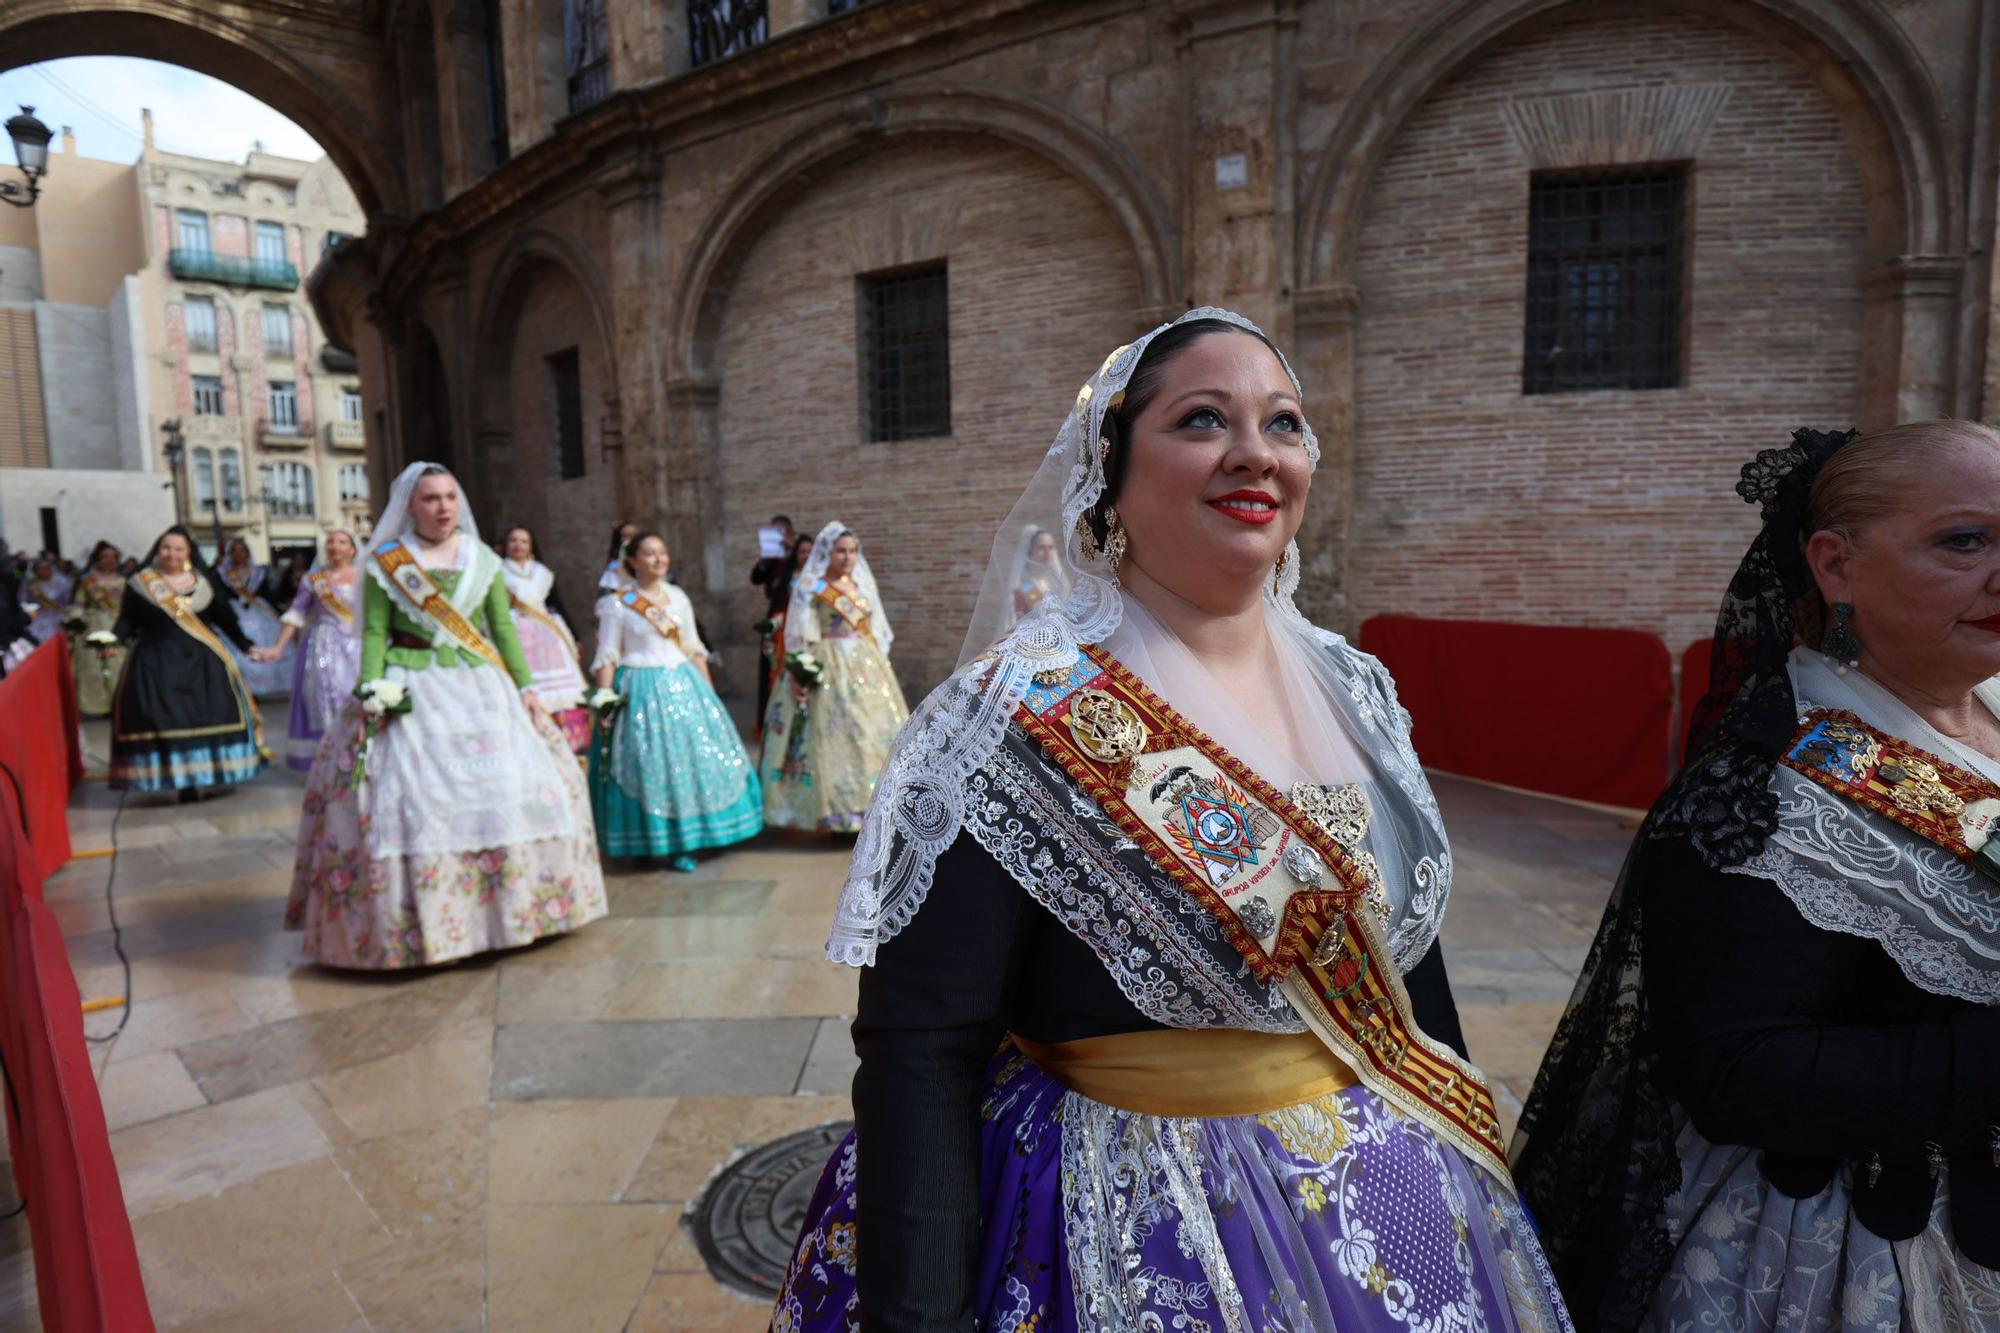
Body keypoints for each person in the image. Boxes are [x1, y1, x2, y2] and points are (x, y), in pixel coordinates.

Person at [771, 310, 1570, 1331]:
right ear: (1109, 472)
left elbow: (1398, 965)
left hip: (1386, 1195)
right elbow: (921, 1050)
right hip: (1122, 1221)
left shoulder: (1355, 687)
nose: (1255, 454)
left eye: (1283, 423)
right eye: (1202, 420)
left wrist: (1470, 1167)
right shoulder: (1006, 715)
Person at [1514, 423, 2000, 1331]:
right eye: (1964, 541)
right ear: (1835, 565)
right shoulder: (1761, 788)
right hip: (1849, 1256)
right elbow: (1736, 1070)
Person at [286, 463, 607, 969]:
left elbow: (501, 629)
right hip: (412, 684)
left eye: (451, 497)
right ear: (409, 506)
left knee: (506, 790)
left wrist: (526, 687)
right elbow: (374, 633)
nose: (442, 507)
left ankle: (510, 915)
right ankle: (434, 924)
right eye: (431, 498)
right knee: (413, 798)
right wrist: (373, 691)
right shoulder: (386, 562)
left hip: (481, 686)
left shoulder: (482, 559)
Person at [589, 532, 762, 868]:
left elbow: (693, 647)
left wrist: (710, 695)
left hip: (684, 683)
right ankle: (658, 841)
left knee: (693, 762)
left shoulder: (678, 597)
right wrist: (605, 696)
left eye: (662, 552)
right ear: (632, 560)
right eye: (650, 554)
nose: (658, 559)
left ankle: (698, 837)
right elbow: (608, 654)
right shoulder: (618, 604)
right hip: (639, 686)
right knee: (648, 766)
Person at [758, 522, 910, 833]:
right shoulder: (811, 587)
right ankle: (837, 810)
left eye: (853, 551)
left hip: (866, 664)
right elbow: (799, 632)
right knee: (830, 735)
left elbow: (878, 627)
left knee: (869, 731)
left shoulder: (863, 585)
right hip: (827, 660)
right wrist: (801, 671)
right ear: (827, 553)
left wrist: (878, 659)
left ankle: (878, 805)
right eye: (841, 551)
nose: (848, 557)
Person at [108, 526, 266, 798]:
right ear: (158, 550)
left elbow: (225, 620)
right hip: (155, 661)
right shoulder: (141, 584)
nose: (171, 553)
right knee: (162, 718)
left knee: (208, 716)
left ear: (189, 552)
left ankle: (207, 773)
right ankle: (180, 780)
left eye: (178, 548)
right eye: (166, 547)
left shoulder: (206, 584)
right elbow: (127, 621)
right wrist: (111, 641)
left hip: (202, 662)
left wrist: (247, 646)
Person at [251, 531, 363, 772]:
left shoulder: (364, 577)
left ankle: (359, 752)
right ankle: (331, 756)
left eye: (342, 541)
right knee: (325, 697)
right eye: (331, 541)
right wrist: (278, 647)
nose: (335, 546)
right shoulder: (313, 580)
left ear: (353, 549)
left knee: (355, 697)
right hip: (325, 645)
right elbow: (296, 614)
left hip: (358, 645)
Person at [499, 525, 591, 752]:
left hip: (546, 633)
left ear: (531, 546)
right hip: (516, 631)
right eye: (513, 540)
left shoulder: (542, 573)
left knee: (560, 690)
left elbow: (557, 603)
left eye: (523, 541)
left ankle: (568, 733)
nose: (518, 545)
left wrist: (575, 635)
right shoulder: (497, 571)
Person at [215, 537, 292, 697]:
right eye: (235, 551)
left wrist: (279, 611)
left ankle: (265, 684)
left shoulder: (259, 571)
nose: (239, 554)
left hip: (259, 611)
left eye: (242, 550)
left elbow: (269, 593)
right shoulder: (222, 572)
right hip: (234, 611)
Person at [67, 541, 129, 717]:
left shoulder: (125, 581)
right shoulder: (88, 580)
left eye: (112, 557)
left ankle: (118, 704)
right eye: (104, 556)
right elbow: (78, 603)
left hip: (117, 628)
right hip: (92, 627)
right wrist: (74, 623)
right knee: (93, 668)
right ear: (97, 559)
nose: (109, 560)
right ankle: (96, 706)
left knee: (117, 666)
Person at [750, 513, 798, 724]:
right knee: (771, 668)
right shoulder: (771, 562)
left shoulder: (799, 559)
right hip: (775, 620)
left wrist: (792, 549)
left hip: (794, 619)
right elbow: (756, 578)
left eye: (782, 532)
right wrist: (764, 560)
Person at [1009, 523, 1071, 620]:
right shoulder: (1026, 585)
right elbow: (1044, 614)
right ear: (1030, 552)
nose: (1047, 553)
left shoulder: (1055, 581)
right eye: (1041, 547)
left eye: (1050, 547)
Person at [20, 557, 70, 643]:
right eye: (40, 568)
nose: (44, 571)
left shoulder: (61, 582)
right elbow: (23, 600)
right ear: (35, 571)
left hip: (59, 616)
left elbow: (66, 601)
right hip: (38, 619)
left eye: (46, 568)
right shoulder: (30, 585)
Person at [596, 520, 639, 602]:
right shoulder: (614, 564)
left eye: (633, 535)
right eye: (625, 536)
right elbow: (608, 588)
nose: (630, 539)